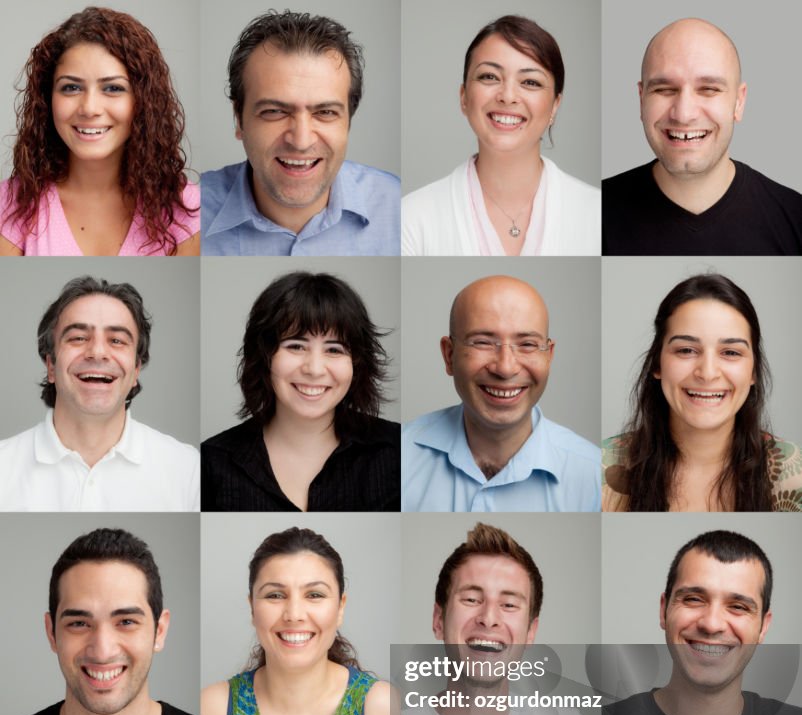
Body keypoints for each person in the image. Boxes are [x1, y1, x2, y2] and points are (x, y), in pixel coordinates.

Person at [0, 7, 199, 256]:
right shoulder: (9, 203)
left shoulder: (187, 207)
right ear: (47, 98)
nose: (89, 108)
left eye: (113, 88)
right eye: (71, 87)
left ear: (144, 100)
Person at [201, 10, 399, 255]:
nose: (301, 141)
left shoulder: (401, 209)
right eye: (274, 111)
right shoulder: (188, 213)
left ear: (348, 121)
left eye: (325, 112)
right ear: (238, 119)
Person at [402, 522, 600, 715]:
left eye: (508, 605)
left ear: (531, 631)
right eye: (472, 599)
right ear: (438, 620)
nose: (489, 619)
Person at [0, 527, 199, 715]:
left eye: (126, 622)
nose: (103, 651)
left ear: (159, 631)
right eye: (79, 623)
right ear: (51, 632)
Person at [402, 15, 599, 256]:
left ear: (555, 105)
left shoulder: (599, 213)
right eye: (489, 77)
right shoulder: (410, 217)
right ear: (464, 97)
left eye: (530, 82)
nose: (507, 96)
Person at [603, 273, 802, 512]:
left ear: (753, 372)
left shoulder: (795, 474)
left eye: (730, 352)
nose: (707, 373)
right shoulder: (596, 470)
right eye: (686, 350)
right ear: (657, 364)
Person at [201, 527, 399, 715]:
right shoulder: (214, 707)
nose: (294, 615)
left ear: (340, 607)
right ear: (252, 608)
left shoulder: (382, 706)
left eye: (314, 595)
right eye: (275, 595)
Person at [603, 530, 802, 715]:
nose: (711, 624)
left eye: (738, 606)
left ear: (763, 627)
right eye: (694, 599)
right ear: (663, 610)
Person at [202, 271, 399, 511]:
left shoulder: (398, 450)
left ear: (356, 363)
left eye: (334, 350)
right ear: (264, 356)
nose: (314, 369)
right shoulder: (212, 462)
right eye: (296, 346)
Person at [603, 18, 802, 255]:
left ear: (739, 102)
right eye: (664, 90)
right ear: (641, 99)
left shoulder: (795, 218)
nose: (684, 114)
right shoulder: (593, 214)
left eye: (709, 89)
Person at [0, 276, 199, 511]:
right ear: (51, 366)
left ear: (136, 370)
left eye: (116, 340)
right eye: (78, 338)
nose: (97, 352)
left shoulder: (189, 469)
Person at [402, 275, 600, 511]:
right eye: (483, 342)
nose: (506, 368)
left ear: (548, 356)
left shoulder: (596, 475)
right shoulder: (397, 457)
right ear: (449, 355)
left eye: (527, 344)